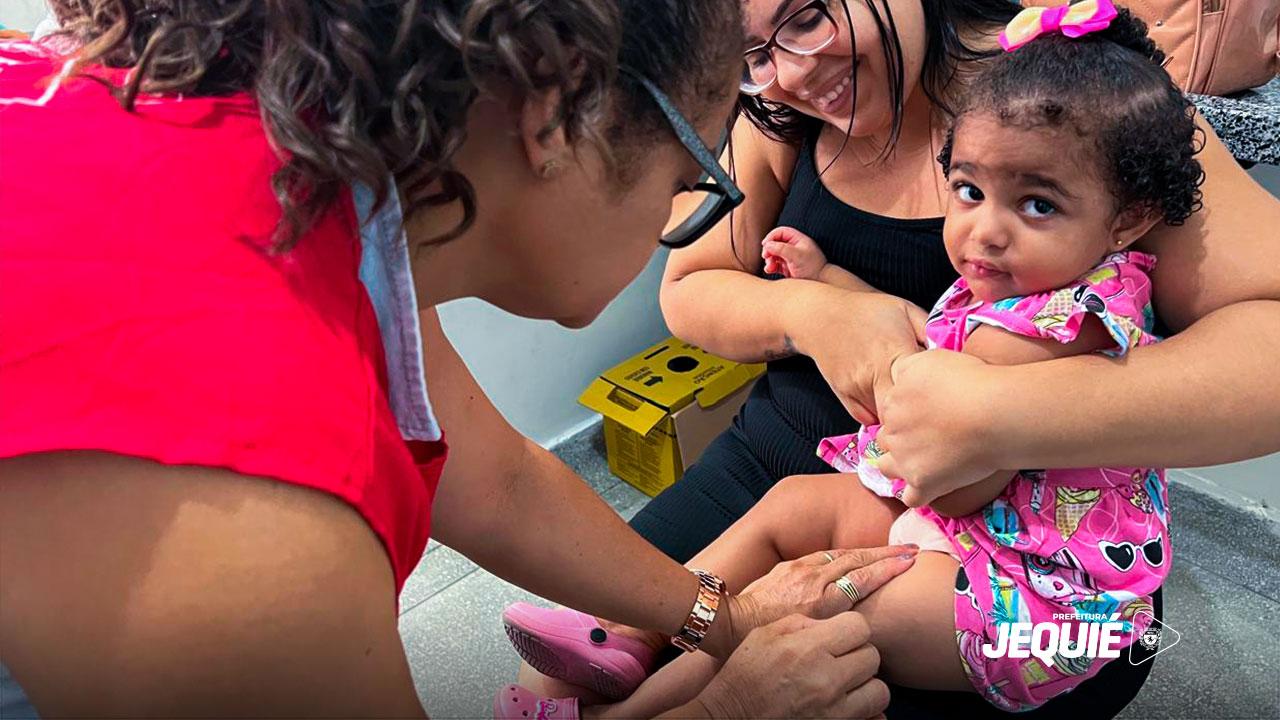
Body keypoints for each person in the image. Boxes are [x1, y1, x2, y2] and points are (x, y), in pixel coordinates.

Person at [0, 1, 911, 717]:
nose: (679, 219)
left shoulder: (297, 180)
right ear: (559, 113)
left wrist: (720, 617)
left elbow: (492, 478)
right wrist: (729, 712)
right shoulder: (248, 523)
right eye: (690, 180)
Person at [513, 0, 1280, 716]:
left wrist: (1003, 418)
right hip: (818, 469)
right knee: (558, 670)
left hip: (1000, 556)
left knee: (775, 641)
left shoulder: (1085, 103)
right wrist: (819, 308)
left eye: (809, 18)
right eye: (750, 54)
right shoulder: (779, 115)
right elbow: (689, 286)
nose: (790, 74)